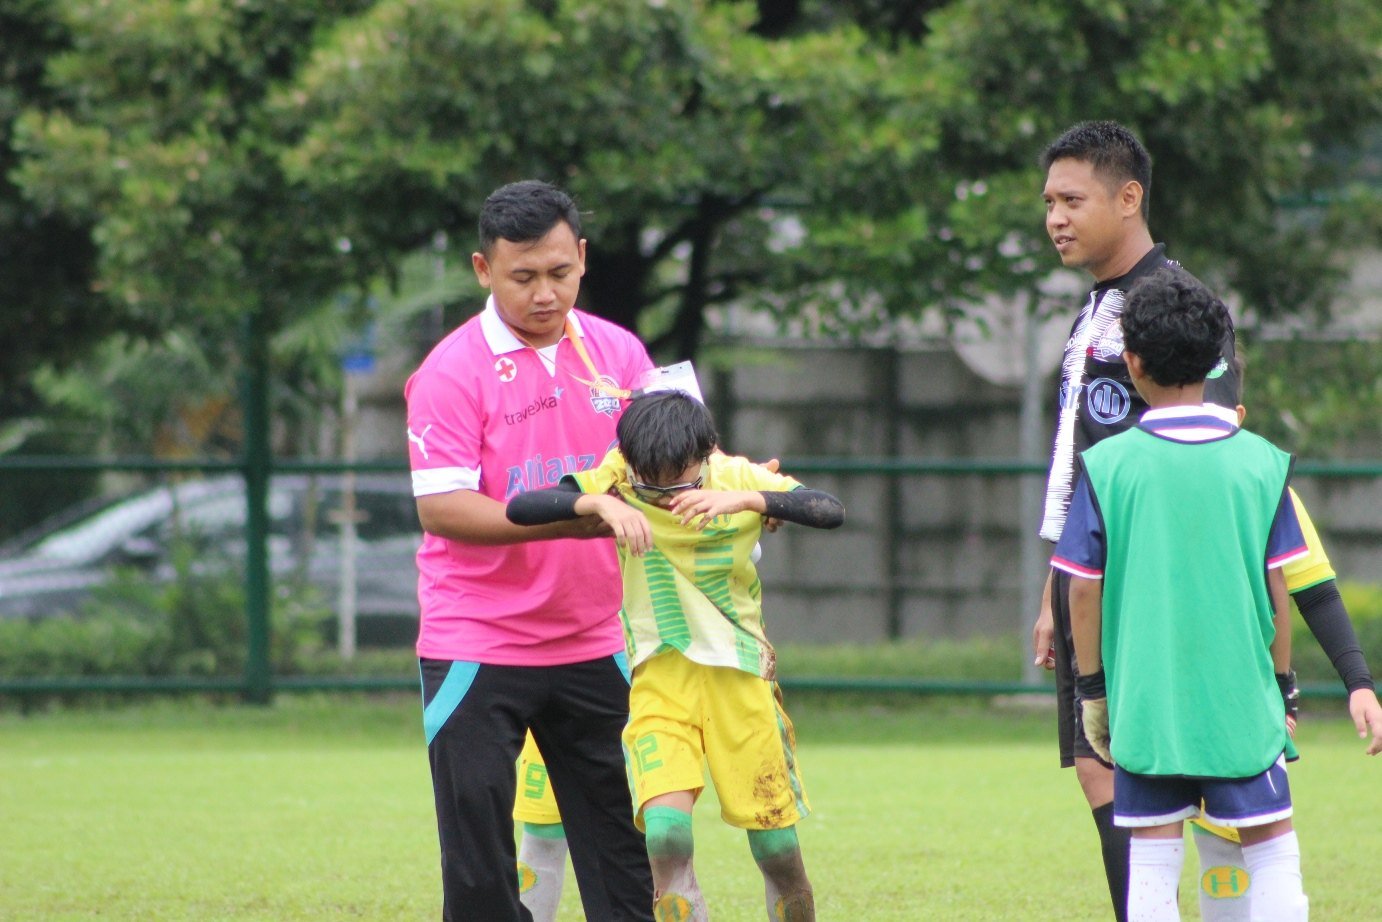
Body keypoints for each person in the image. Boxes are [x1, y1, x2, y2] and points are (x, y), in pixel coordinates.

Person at [405, 179, 654, 921]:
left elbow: (670, 461)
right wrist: (574, 514)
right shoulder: (450, 370)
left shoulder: (619, 353)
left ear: (582, 258)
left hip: (594, 636)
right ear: (484, 270)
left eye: (559, 272)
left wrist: (736, 494)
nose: (544, 294)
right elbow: (442, 506)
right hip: (477, 638)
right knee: (479, 866)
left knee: (622, 850)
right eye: (522, 277)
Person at [507, 390, 845, 921]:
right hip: (659, 683)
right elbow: (521, 508)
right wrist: (599, 503)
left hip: (740, 680)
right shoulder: (619, 476)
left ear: (706, 453)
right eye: (652, 485)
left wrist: (751, 500)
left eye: (679, 484)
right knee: (665, 835)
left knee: (776, 848)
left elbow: (829, 510)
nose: (665, 498)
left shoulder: (735, 476)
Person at [1053, 267, 1311, 921]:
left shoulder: (1106, 466)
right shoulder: (1263, 462)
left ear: (1132, 362)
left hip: (1147, 701)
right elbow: (1277, 587)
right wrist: (1283, 685)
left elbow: (1082, 591)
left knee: (1152, 858)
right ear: (1216, 360)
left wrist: (1094, 693)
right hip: (1241, 698)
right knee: (1272, 850)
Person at [1031, 120, 1241, 921]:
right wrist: (1056, 581)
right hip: (1087, 573)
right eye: (1049, 202)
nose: (1056, 218)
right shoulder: (1093, 310)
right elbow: (1079, 456)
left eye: (1072, 200)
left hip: (1147, 574)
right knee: (1099, 760)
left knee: (1161, 765)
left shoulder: (1178, 307)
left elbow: (1213, 440)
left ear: (1128, 198)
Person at [1186, 353, 1382, 922]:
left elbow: (1314, 591)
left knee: (1232, 837)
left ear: (1239, 418)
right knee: (1193, 838)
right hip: (1180, 691)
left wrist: (1358, 682)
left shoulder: (1266, 486)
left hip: (1244, 695)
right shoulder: (1142, 476)